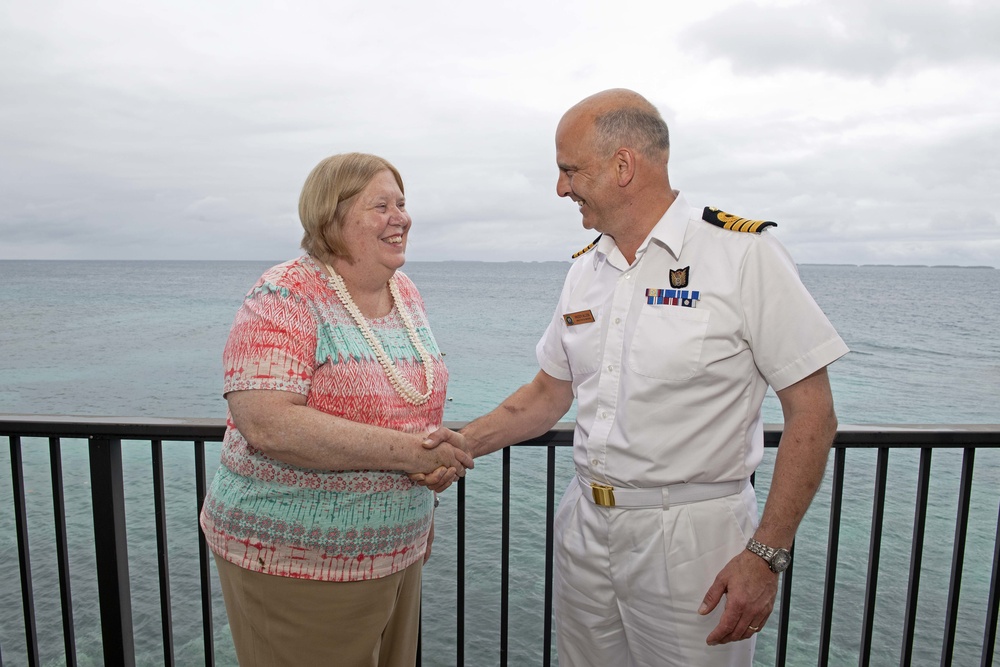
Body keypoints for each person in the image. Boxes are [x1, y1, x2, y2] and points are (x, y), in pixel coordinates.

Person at [419, 89, 848, 666]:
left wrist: (765, 554)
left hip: (693, 541)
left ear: (624, 166)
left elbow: (813, 414)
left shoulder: (742, 256)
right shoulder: (585, 271)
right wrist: (459, 446)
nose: (561, 188)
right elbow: (547, 397)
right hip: (585, 529)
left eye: (571, 170)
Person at [199, 152, 472, 667]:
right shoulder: (286, 294)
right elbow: (268, 423)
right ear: (331, 218)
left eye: (402, 203)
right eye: (381, 206)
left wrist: (424, 492)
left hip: (396, 552)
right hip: (296, 561)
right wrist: (409, 455)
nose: (401, 217)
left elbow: (411, 411)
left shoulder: (405, 294)